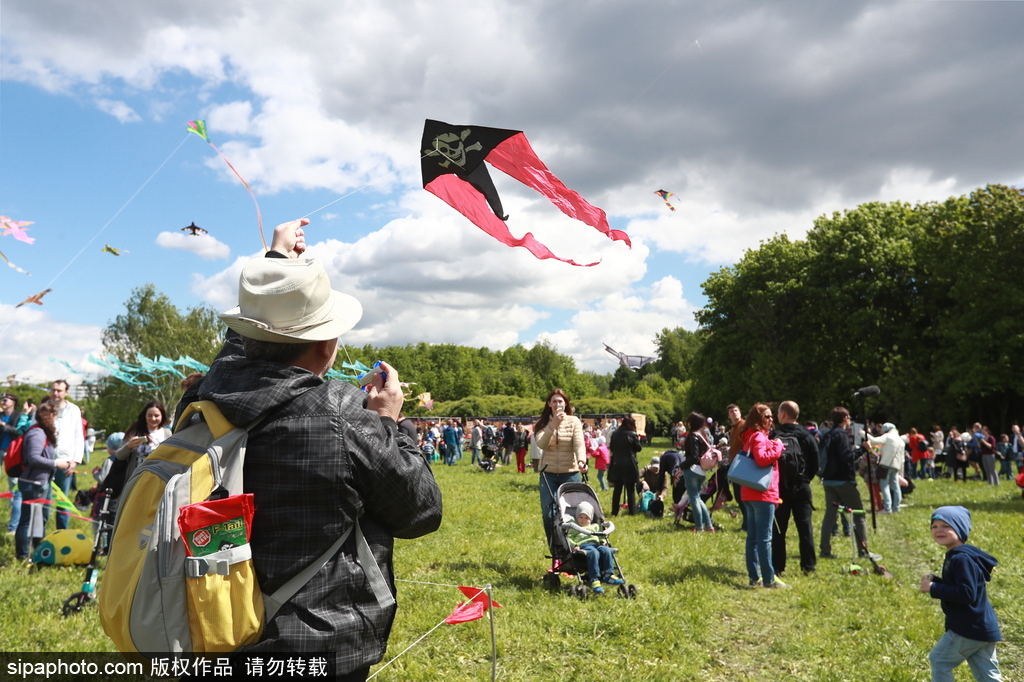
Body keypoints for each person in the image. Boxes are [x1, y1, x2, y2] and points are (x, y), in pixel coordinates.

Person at [175, 219, 442, 680]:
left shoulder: (206, 395)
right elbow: (421, 511)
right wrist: (391, 422)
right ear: (326, 345)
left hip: (213, 631)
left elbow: (241, 350)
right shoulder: (341, 413)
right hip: (314, 644)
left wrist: (276, 265)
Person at [920, 506, 1002, 682]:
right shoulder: (958, 555)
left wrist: (933, 588)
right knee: (987, 674)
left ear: (960, 529)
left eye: (946, 526)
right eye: (934, 526)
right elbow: (962, 586)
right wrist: (937, 580)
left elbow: (966, 594)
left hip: (968, 627)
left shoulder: (961, 559)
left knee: (939, 660)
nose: (939, 530)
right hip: (982, 627)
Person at [14, 401, 73, 560]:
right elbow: (34, 458)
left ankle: (38, 551)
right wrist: (56, 463)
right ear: (49, 415)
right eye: (54, 415)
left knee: (40, 519)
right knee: (27, 520)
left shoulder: (43, 432)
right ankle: (22, 555)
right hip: (32, 483)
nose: (55, 419)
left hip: (43, 482)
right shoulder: (37, 433)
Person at [738, 403, 786, 588]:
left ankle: (754, 577)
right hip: (762, 493)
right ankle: (769, 579)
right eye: (766, 416)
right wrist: (778, 448)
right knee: (764, 539)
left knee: (753, 538)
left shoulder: (751, 436)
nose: (771, 419)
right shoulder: (758, 436)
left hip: (749, 492)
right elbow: (762, 459)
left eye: (771, 416)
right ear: (758, 419)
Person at [535, 388, 586, 552]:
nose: (558, 404)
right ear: (549, 404)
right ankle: (556, 551)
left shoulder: (574, 421)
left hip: (570, 473)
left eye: (561, 401)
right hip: (548, 475)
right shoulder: (542, 423)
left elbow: (579, 443)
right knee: (548, 515)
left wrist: (581, 460)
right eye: (554, 401)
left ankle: (573, 551)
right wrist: (553, 424)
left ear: (565, 404)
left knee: (571, 514)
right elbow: (541, 445)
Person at [772, 400, 819, 575]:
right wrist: (806, 478)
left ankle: (777, 566)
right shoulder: (807, 435)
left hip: (780, 489)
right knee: (805, 527)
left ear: (783, 415)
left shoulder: (776, 434)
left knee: (779, 529)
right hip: (802, 486)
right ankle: (808, 566)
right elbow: (815, 463)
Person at [819, 406, 869, 562]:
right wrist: (862, 450)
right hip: (843, 480)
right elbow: (846, 457)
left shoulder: (827, 434)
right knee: (858, 514)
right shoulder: (841, 435)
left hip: (828, 480)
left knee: (830, 515)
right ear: (846, 418)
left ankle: (825, 550)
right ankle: (863, 551)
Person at [112, 401, 172, 497]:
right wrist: (129, 446)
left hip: (159, 480)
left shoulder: (167, 433)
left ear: (162, 416)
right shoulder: (135, 432)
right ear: (145, 416)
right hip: (136, 479)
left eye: (156, 416)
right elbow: (119, 456)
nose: (153, 418)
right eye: (150, 415)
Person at [566, 501, 623, 594]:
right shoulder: (574, 527)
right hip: (584, 546)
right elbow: (569, 538)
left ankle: (608, 575)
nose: (583, 520)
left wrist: (603, 542)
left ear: (591, 519)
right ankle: (594, 578)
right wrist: (574, 546)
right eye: (581, 517)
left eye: (586, 518)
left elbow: (601, 536)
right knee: (594, 552)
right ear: (577, 517)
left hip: (596, 544)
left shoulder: (595, 527)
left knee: (607, 550)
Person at [48, 380, 84, 530]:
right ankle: (38, 538)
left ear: (66, 392)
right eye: (54, 390)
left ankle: (62, 533)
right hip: (45, 462)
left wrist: (75, 461)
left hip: (66, 462)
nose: (56, 393)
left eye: (59, 390)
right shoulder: (45, 408)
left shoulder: (74, 410)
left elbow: (78, 436)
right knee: (43, 500)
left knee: (63, 501)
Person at [680, 412, 714, 532]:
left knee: (693, 499)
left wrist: (681, 466)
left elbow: (693, 457)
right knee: (697, 498)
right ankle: (709, 525)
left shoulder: (692, 436)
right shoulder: (702, 436)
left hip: (692, 470)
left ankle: (699, 527)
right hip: (702, 471)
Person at [865, 423, 904, 514]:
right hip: (896, 466)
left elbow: (874, 441)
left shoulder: (887, 436)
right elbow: (902, 459)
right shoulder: (901, 440)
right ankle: (896, 507)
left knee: (884, 486)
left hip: (886, 465)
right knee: (895, 487)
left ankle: (887, 508)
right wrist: (901, 472)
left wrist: (863, 433)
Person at [608, 417, 642, 516]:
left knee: (617, 489)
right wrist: (638, 440)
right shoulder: (632, 434)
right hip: (629, 464)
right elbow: (638, 448)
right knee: (630, 488)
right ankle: (632, 511)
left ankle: (614, 511)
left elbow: (612, 448)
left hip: (617, 463)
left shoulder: (615, 433)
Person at [726, 403, 748, 532]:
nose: (734, 413)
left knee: (743, 497)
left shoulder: (745, 426)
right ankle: (746, 524)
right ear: (728, 416)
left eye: (736, 410)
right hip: (734, 465)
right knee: (739, 497)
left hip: (743, 465)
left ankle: (747, 525)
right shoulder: (733, 429)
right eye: (731, 412)